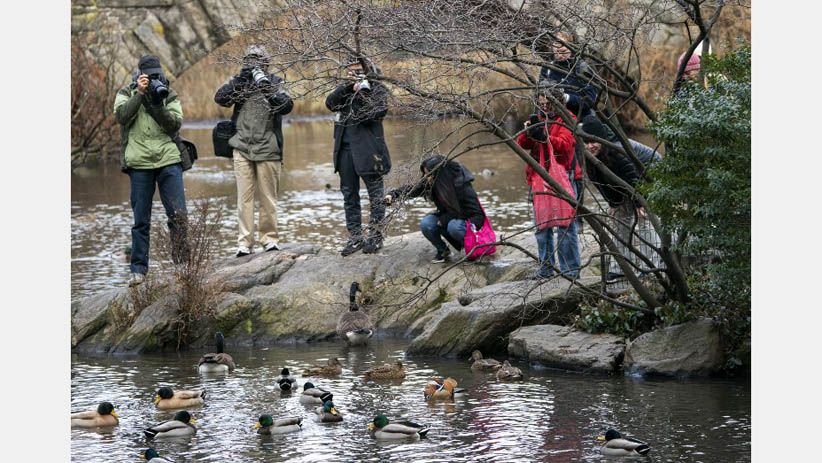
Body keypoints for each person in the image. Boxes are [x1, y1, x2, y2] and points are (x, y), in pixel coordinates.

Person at [114, 55, 189, 287]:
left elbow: (175, 124)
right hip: (139, 163)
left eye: (158, 74)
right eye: (150, 75)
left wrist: (156, 103)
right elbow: (121, 116)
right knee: (141, 221)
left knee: (178, 215)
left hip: (168, 160)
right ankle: (138, 270)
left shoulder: (169, 93)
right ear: (139, 75)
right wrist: (140, 94)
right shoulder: (127, 93)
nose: (155, 79)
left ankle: (183, 266)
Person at [215, 45, 294, 257]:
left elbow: (287, 106)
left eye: (258, 61)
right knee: (244, 198)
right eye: (250, 61)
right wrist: (241, 80)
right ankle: (244, 242)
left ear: (266, 64)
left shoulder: (276, 82)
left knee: (268, 198)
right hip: (241, 146)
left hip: (268, 147)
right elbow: (220, 99)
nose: (254, 64)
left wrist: (266, 86)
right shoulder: (239, 82)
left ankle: (269, 239)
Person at [580, 116, 663, 281]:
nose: (590, 146)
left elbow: (632, 177)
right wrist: (614, 202)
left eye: (594, 141)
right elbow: (601, 182)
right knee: (619, 219)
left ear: (602, 139)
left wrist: (639, 203)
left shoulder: (617, 151)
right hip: (630, 180)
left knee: (644, 221)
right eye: (586, 142)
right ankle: (620, 268)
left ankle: (652, 268)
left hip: (650, 173)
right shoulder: (590, 155)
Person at [325, 58, 391, 256]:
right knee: (349, 196)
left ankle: (376, 236)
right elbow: (330, 103)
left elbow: (373, 113)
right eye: (351, 71)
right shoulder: (346, 89)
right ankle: (355, 238)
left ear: (368, 71)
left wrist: (363, 91)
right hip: (344, 150)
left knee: (376, 196)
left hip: (369, 151)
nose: (354, 74)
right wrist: (348, 88)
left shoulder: (377, 90)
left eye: (358, 71)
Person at [517, 88, 580, 279]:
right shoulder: (537, 117)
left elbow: (566, 144)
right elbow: (522, 144)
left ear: (558, 101)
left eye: (548, 103)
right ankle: (546, 269)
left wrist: (545, 137)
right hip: (538, 176)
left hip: (563, 175)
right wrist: (529, 132)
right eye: (541, 103)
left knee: (565, 226)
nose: (545, 107)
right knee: (541, 226)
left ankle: (570, 270)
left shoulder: (567, 118)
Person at [385, 155, 485, 263]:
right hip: (449, 218)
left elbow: (477, 214)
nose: (426, 177)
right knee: (426, 223)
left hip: (466, 221)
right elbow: (413, 189)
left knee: (454, 227)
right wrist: (393, 194)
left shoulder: (462, 186)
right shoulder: (432, 183)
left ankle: (472, 251)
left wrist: (446, 219)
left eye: (429, 174)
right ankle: (443, 251)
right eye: (425, 174)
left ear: (439, 174)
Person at [538, 32, 600, 119]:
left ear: (570, 48)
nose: (559, 55)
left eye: (563, 52)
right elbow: (540, 97)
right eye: (556, 52)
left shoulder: (582, 69)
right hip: (554, 120)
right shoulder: (548, 68)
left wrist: (566, 97)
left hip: (579, 120)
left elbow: (590, 102)